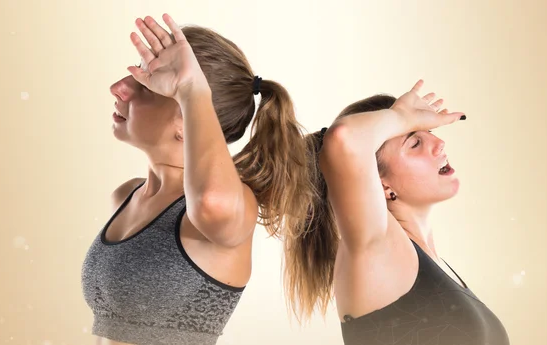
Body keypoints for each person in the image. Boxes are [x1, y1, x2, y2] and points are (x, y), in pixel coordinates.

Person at [81, 14, 312, 345]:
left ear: (185, 117)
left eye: (146, 83)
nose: (119, 87)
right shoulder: (127, 196)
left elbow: (210, 202)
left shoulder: (229, 207)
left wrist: (191, 89)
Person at [283, 80, 510, 344]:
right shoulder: (378, 249)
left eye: (429, 132)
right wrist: (399, 116)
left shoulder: (427, 262)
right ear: (382, 184)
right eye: (414, 143)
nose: (439, 143)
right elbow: (344, 138)